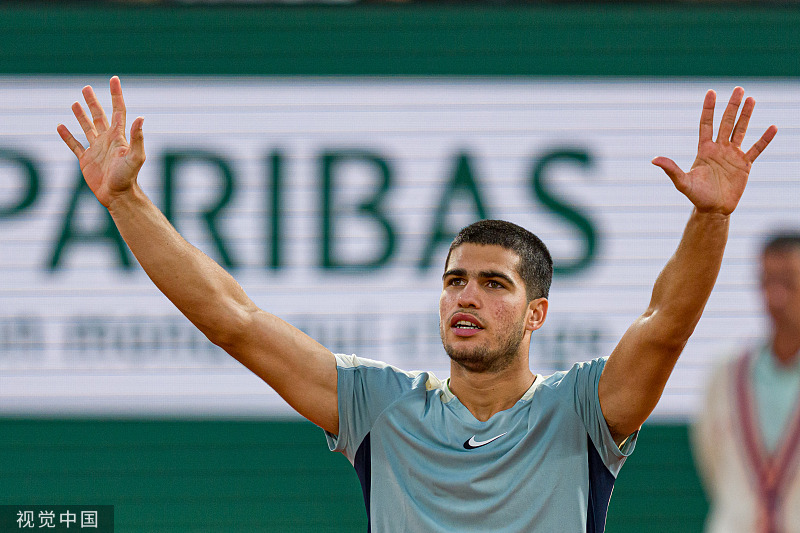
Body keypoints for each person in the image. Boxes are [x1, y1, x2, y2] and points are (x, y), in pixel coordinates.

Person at [57, 78, 776, 532]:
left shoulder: (584, 408)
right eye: (454, 279)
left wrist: (709, 216)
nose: (467, 295)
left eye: (494, 283)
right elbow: (233, 321)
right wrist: (125, 201)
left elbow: (665, 326)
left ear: (537, 313)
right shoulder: (381, 405)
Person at [693, 233, 800, 533]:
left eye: (789, 282)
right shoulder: (726, 375)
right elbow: (710, 458)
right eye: (768, 282)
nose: (776, 297)